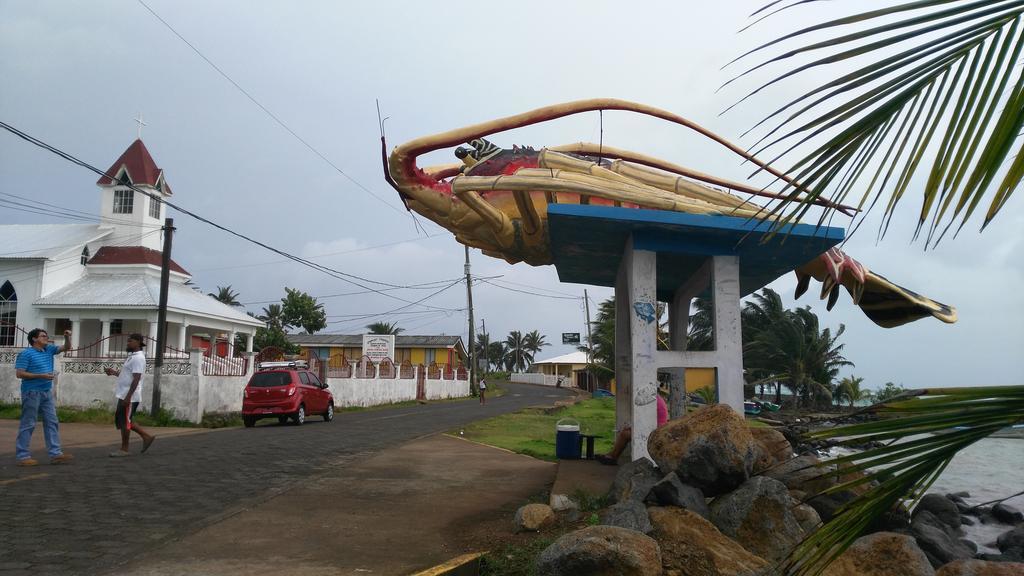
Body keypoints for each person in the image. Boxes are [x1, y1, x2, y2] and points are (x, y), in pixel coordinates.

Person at [14, 328, 74, 466]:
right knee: (28, 423)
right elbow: (20, 374)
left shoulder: (49, 350)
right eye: (43, 336)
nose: (46, 338)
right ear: (34, 339)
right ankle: (23, 456)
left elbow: (67, 347)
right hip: (31, 392)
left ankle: (56, 454)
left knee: (52, 422)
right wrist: (40, 376)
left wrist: (67, 337)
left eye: (46, 335)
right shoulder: (26, 354)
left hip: (46, 392)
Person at [103, 333, 155, 457]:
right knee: (124, 420)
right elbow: (128, 375)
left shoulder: (138, 358)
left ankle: (124, 449)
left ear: (138, 342)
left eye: (130, 341)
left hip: (129, 396)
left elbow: (136, 379)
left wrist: (128, 397)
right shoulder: (132, 356)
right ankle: (146, 436)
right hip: (124, 394)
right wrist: (114, 373)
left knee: (125, 421)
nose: (128, 343)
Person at [596, 385, 670, 465]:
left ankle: (612, 456)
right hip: (655, 428)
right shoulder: (657, 400)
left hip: (655, 430)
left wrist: (631, 427)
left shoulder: (653, 401)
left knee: (625, 434)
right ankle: (612, 455)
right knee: (626, 432)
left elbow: (643, 420)